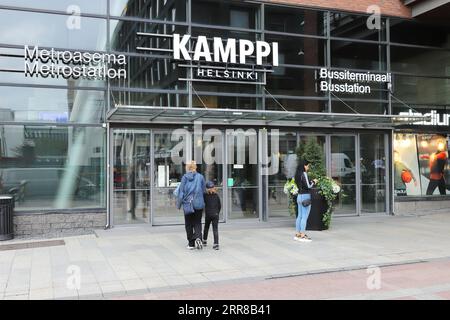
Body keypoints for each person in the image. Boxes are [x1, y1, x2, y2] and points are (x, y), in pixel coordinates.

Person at [176, 161, 206, 250]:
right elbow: (204, 190)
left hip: (188, 204)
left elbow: (181, 192)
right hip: (199, 203)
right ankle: (198, 237)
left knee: (188, 224)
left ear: (187, 168)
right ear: (195, 167)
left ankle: (191, 244)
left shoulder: (184, 178)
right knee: (197, 222)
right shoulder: (200, 177)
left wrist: (179, 204)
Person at [294, 160, 315, 242]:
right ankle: (303, 235)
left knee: (299, 216)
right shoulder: (304, 174)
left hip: (299, 196)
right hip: (305, 197)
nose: (308, 167)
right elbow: (308, 186)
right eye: (307, 166)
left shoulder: (297, 175)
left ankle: (298, 234)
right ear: (304, 166)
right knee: (304, 217)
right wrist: (313, 181)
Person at [202, 181, 221, 250]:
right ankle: (216, 244)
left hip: (208, 214)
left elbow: (202, 204)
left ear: (206, 188)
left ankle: (204, 241)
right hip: (215, 214)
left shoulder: (205, 195)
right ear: (214, 188)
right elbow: (219, 206)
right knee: (215, 229)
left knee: (206, 227)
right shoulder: (216, 195)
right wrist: (217, 213)